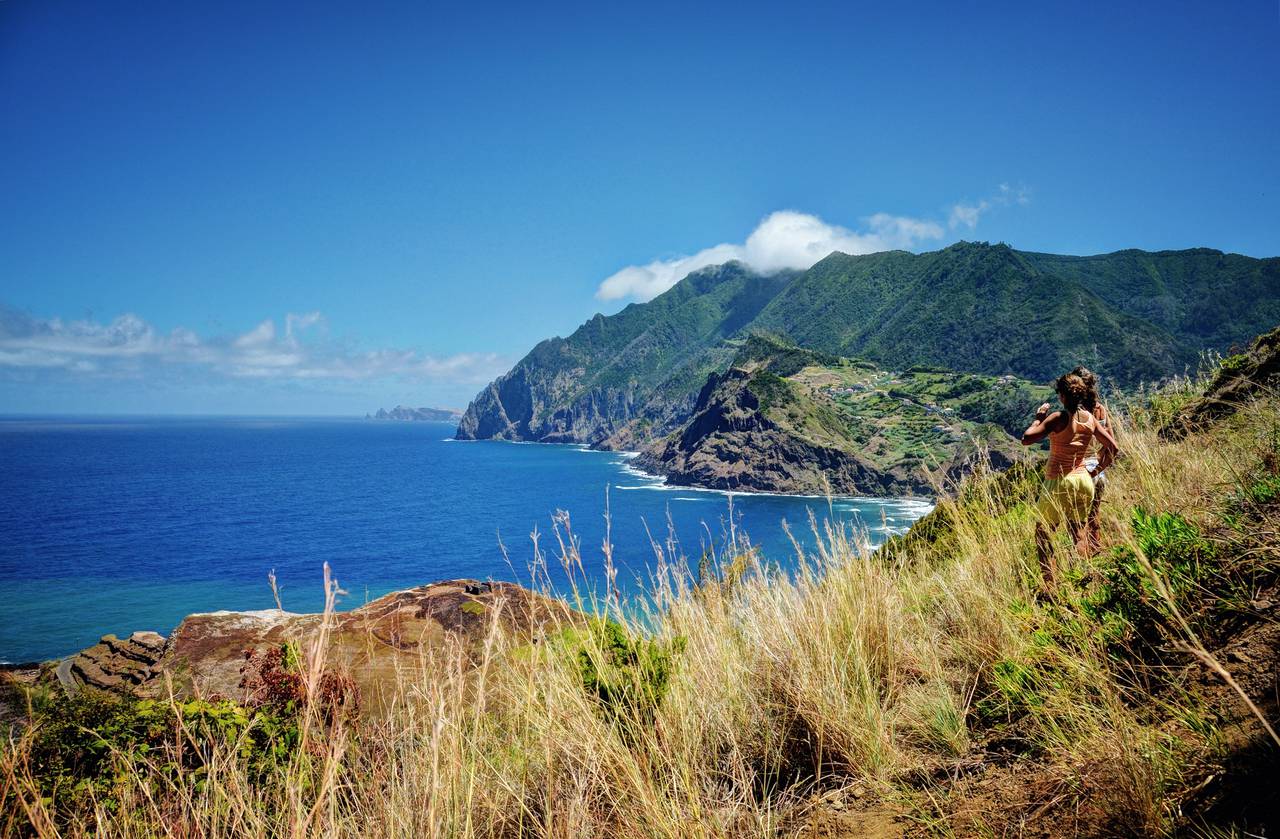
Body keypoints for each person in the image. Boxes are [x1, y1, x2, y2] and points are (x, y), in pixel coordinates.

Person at [1021, 371, 1120, 593]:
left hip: (1058, 481)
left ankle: (1051, 588)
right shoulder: (1090, 418)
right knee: (1079, 533)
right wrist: (1096, 472)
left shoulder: (1058, 418)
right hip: (1083, 480)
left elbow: (1027, 438)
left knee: (1043, 534)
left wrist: (1039, 417)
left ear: (1063, 396)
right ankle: (1084, 580)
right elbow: (1113, 448)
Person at [1071, 366, 1111, 552]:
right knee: (1094, 514)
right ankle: (1096, 550)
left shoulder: (1076, 413)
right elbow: (1110, 444)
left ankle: (1082, 560)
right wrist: (1099, 467)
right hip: (1098, 470)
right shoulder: (1101, 410)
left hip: (1079, 470)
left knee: (1076, 521)